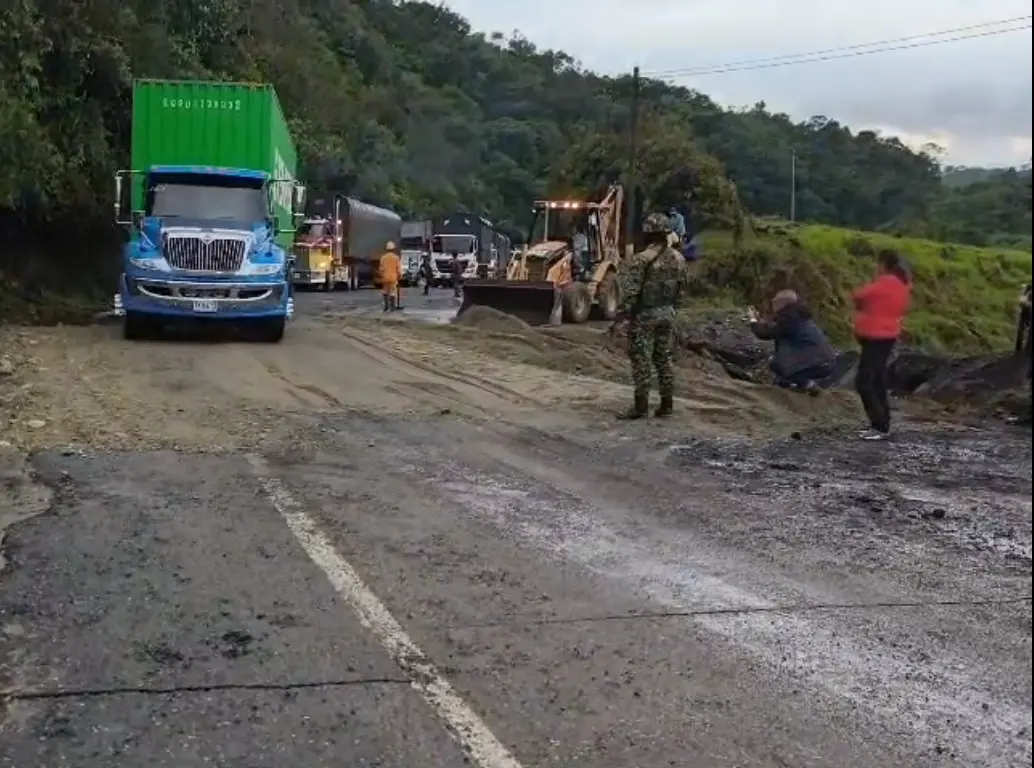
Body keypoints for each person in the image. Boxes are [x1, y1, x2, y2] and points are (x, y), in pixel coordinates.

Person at [615, 212, 689, 419]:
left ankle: (641, 407)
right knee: (663, 358)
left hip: (645, 315)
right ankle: (667, 404)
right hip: (667, 313)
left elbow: (631, 292)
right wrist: (673, 309)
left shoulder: (641, 259)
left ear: (647, 233)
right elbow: (682, 290)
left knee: (641, 360)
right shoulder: (679, 259)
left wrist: (622, 315)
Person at [852, 248, 912, 440]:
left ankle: (879, 425)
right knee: (877, 379)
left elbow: (860, 295)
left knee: (865, 381)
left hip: (876, 336)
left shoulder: (886, 282)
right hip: (886, 334)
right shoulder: (902, 283)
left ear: (883, 264)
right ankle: (882, 424)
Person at [748, 290, 836, 393]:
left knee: (777, 364)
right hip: (827, 361)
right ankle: (790, 384)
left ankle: (809, 385)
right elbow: (775, 329)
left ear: (781, 304)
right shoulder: (799, 317)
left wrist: (753, 320)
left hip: (816, 363)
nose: (773, 306)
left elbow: (765, 334)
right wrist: (760, 322)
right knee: (781, 359)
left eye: (775, 302)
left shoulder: (789, 319)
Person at [378, 240, 402, 312]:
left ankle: (386, 306)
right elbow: (398, 268)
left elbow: (381, 269)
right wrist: (399, 276)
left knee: (385, 291)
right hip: (393, 278)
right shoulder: (396, 258)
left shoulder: (383, 258)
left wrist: (381, 276)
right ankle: (392, 307)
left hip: (385, 277)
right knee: (392, 292)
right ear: (393, 249)